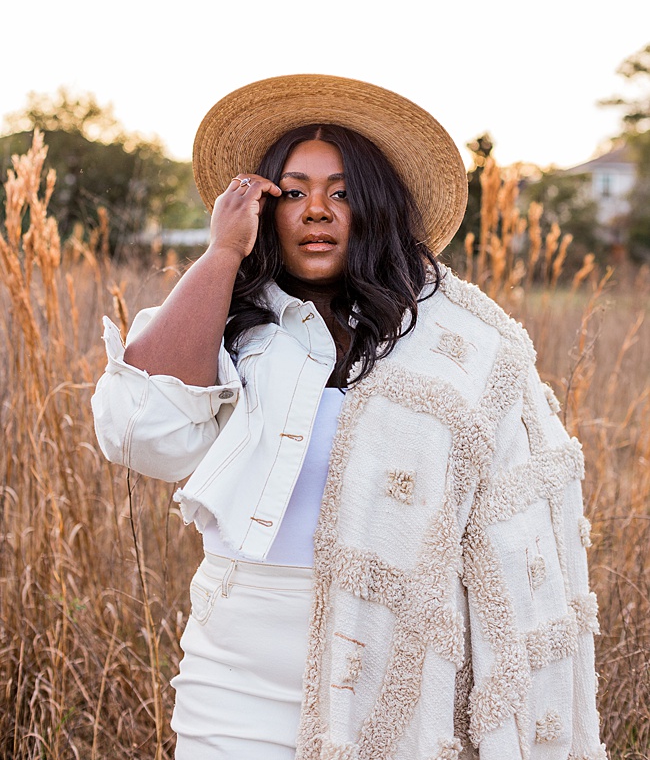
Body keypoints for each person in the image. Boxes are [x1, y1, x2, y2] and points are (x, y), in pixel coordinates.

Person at [92, 75, 605, 760]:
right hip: (233, 669)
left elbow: (516, 531)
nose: (317, 210)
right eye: (295, 191)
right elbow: (138, 431)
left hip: (386, 662)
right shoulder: (239, 329)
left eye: (341, 192)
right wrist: (222, 254)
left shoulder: (460, 345)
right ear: (263, 206)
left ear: (375, 207)